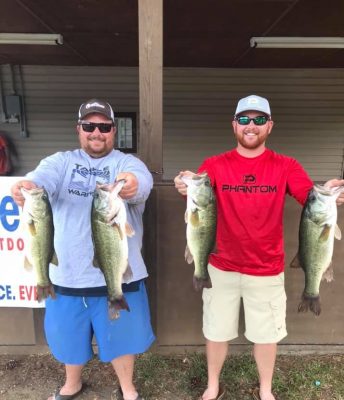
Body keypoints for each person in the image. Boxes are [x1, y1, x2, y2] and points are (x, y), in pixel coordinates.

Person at [174, 94, 344, 400]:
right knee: (216, 330)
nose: (251, 126)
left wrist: (330, 193)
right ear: (234, 126)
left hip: (266, 269)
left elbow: (309, 196)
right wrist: (184, 181)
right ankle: (213, 385)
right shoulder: (214, 164)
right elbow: (195, 186)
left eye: (259, 120)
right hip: (220, 266)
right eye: (244, 120)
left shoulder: (286, 165)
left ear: (269, 126)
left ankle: (265, 390)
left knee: (266, 335)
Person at [11, 99, 155, 400]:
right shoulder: (61, 162)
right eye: (89, 126)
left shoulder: (125, 162)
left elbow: (140, 182)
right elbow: (42, 180)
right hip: (67, 276)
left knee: (123, 338)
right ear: (79, 130)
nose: (96, 132)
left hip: (119, 277)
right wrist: (27, 186)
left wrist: (130, 185)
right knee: (68, 338)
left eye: (103, 126)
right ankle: (71, 384)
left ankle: (128, 389)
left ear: (113, 131)